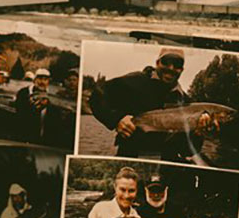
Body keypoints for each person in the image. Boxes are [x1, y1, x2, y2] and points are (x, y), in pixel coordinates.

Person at [87, 47, 217, 160]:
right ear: (157, 63)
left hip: (167, 163)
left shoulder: (186, 102)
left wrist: (198, 134)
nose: (171, 68)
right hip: (131, 155)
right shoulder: (134, 81)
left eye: (177, 64)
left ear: (182, 69)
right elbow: (97, 96)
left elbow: (186, 151)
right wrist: (116, 119)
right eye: (166, 62)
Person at [10, 67, 57, 145]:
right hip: (24, 135)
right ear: (34, 80)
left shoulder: (51, 96)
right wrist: (37, 107)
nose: (42, 82)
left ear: (48, 82)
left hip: (43, 137)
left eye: (45, 79)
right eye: (40, 79)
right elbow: (20, 113)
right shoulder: (23, 93)